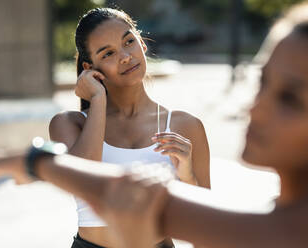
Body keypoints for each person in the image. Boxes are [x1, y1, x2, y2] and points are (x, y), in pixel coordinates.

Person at [0, 0, 308, 247]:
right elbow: (147, 200)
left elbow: (153, 203)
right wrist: (35, 160)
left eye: (291, 98)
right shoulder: (284, 217)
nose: (254, 108)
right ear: (90, 67)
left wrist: (32, 163)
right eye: (262, 83)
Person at [48, 7, 210, 248]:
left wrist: (186, 175)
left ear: (142, 44)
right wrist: (98, 100)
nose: (125, 56)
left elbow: (206, 228)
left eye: (129, 42)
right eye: (108, 54)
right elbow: (84, 182)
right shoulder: (70, 124)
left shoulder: (186, 126)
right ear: (89, 68)